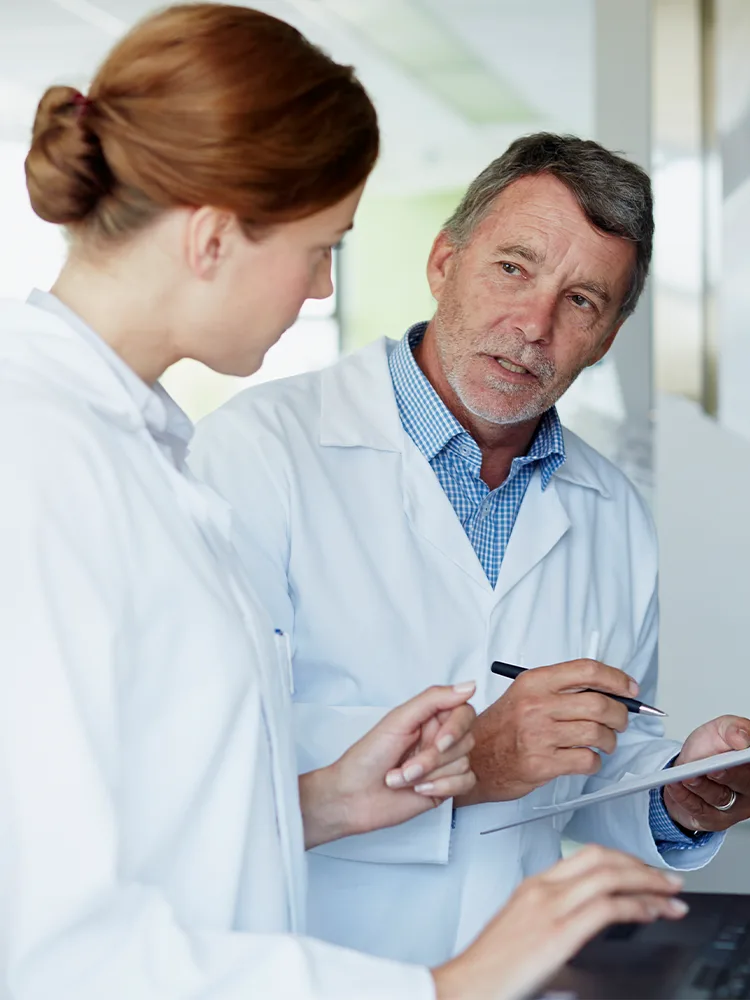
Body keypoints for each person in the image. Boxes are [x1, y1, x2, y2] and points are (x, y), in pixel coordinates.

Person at [0, 6, 688, 1000]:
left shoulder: (130, 446)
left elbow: (179, 813)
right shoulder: (41, 457)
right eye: (324, 244)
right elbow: (46, 940)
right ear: (214, 236)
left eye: (583, 302)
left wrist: (334, 797)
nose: (324, 287)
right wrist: (446, 986)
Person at [191, 130, 750, 968]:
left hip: (513, 970)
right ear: (444, 261)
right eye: (513, 268)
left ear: (607, 336)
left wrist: (678, 793)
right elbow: (205, 756)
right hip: (306, 965)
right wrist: (474, 758)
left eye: (582, 301)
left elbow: (597, 763)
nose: (532, 325)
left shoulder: (612, 512)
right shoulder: (257, 452)